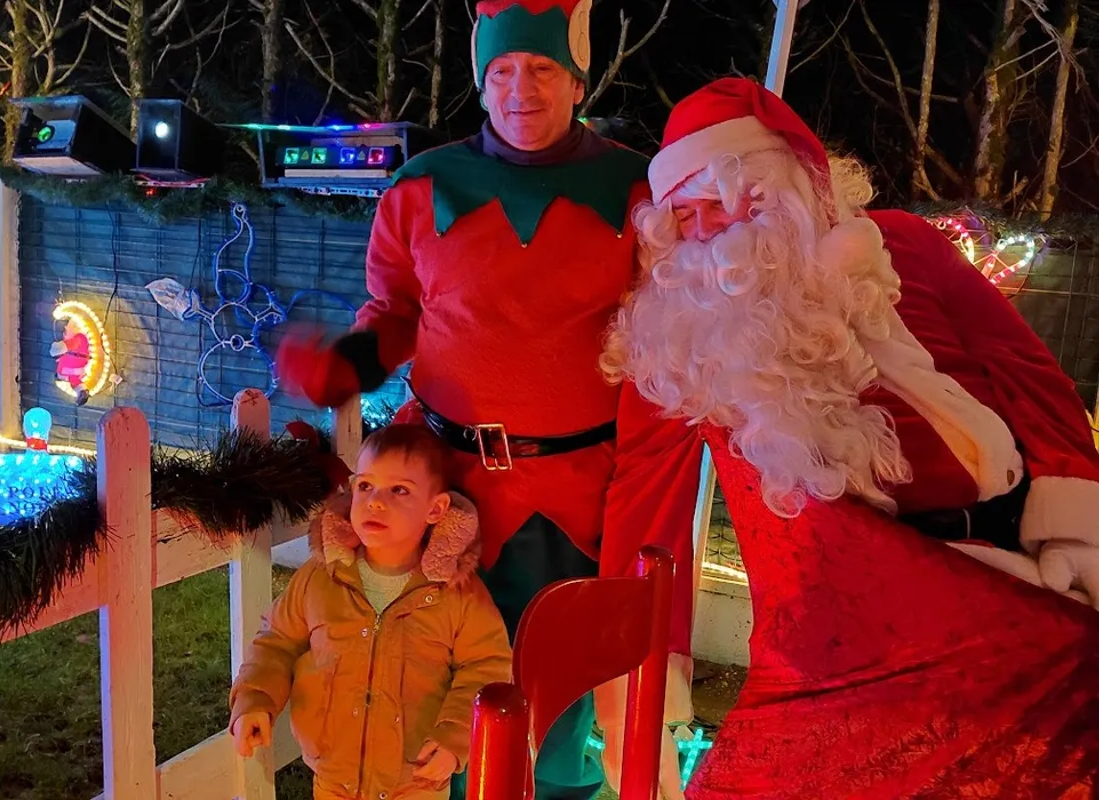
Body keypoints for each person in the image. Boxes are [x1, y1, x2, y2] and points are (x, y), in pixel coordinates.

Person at [601, 77, 1099, 796]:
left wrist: (1078, 540)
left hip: (1014, 582)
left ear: (784, 190)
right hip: (837, 655)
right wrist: (650, 671)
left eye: (721, 198)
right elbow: (645, 495)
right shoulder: (683, 340)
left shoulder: (906, 245)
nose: (706, 228)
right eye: (685, 214)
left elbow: (1031, 379)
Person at [277, 1, 693, 796]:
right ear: (480, 80)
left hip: (574, 498)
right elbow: (394, 311)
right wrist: (349, 365)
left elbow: (665, 336)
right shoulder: (420, 187)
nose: (520, 90)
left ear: (577, 80)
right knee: (434, 690)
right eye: (502, 71)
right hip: (440, 489)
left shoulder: (636, 193)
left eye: (541, 69)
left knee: (565, 695)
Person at [229, 424, 512, 800]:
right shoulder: (323, 576)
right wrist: (256, 699)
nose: (376, 501)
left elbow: (487, 667)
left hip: (417, 780)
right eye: (366, 486)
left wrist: (455, 735)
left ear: (436, 509)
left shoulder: (457, 594)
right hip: (333, 776)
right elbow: (277, 641)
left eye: (399, 490)